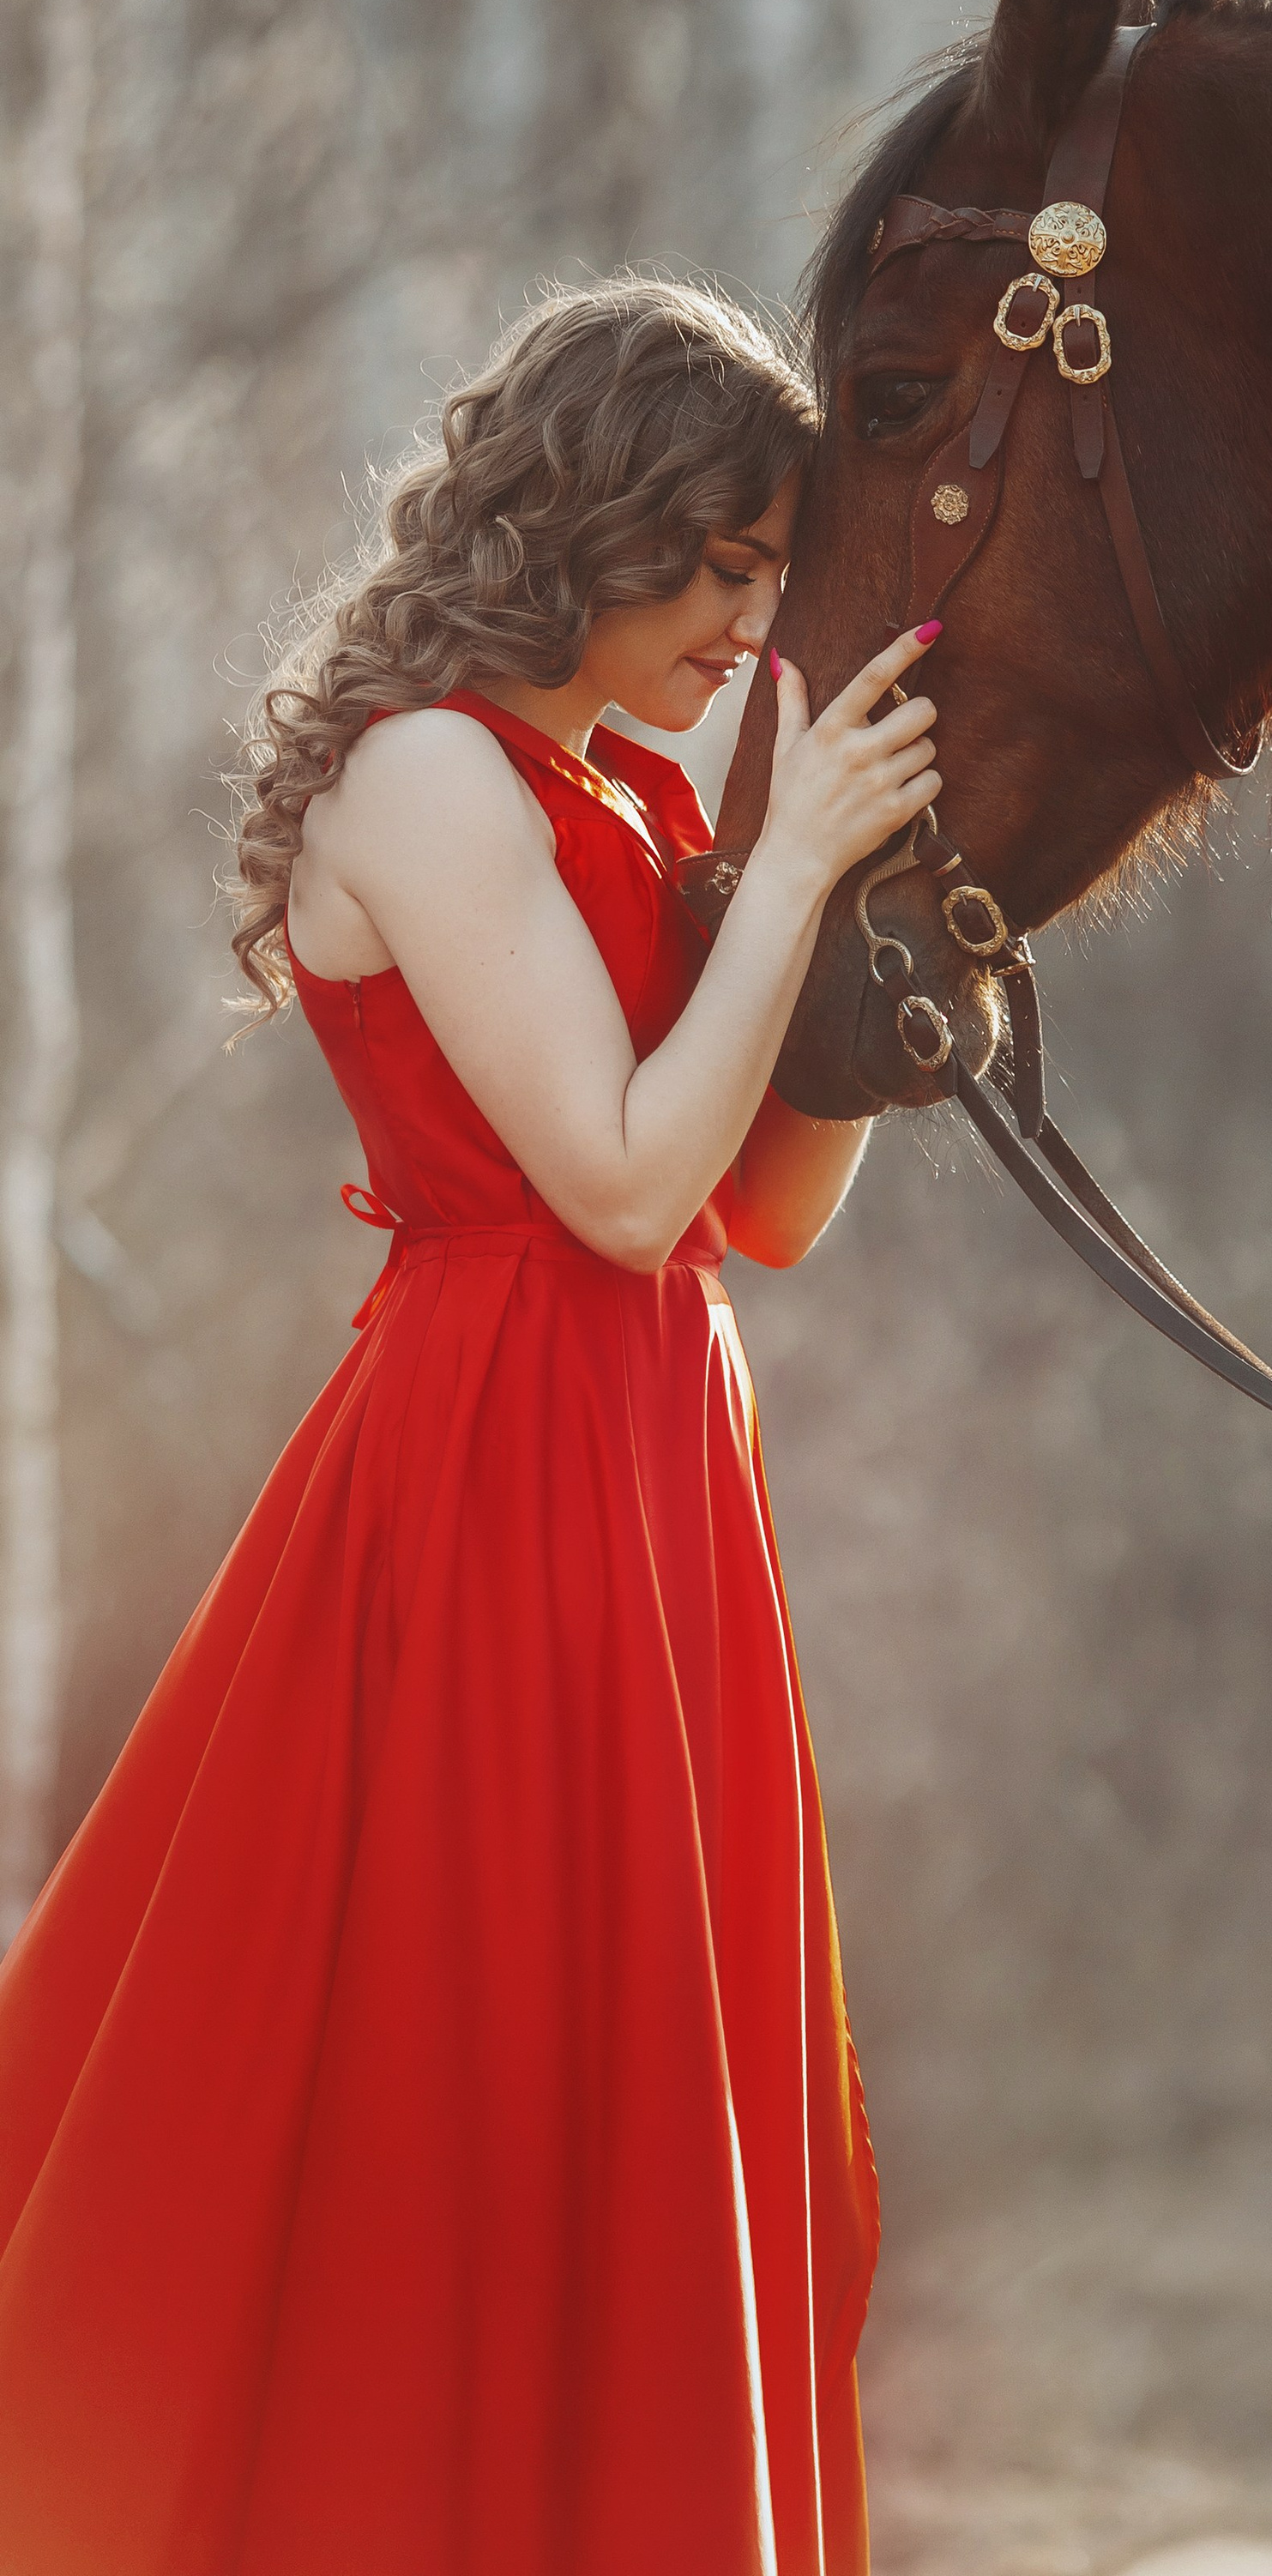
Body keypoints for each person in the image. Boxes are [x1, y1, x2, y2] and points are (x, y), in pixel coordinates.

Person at [0, 280, 935, 2576]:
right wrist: (783, 876)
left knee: (643, 2073)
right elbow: (611, 1186)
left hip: (657, 1465)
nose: (750, 623)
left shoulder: (633, 792)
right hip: (502, 1461)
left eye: (771, 575)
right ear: (593, 512)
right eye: (720, 563)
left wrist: (869, 956)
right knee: (477, 2055)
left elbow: (757, 1211)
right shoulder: (428, 773)